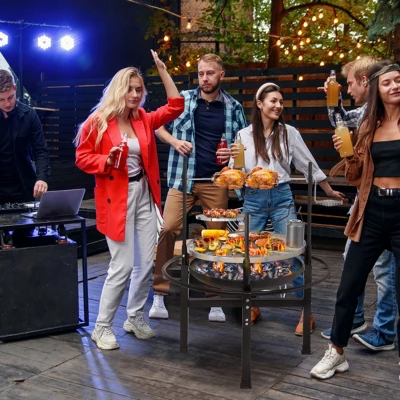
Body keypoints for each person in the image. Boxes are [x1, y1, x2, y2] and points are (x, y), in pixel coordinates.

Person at [75, 50, 184, 350]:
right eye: (130, 89)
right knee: (122, 265)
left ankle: (134, 316)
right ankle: (102, 327)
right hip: (116, 199)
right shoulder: (98, 121)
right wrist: (106, 161)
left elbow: (176, 105)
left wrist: (163, 70)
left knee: (146, 264)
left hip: (144, 195)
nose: (135, 95)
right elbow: (82, 157)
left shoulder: (143, 119)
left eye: (139, 89)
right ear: (118, 90)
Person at [311, 60, 400, 380]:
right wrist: (348, 155)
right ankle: (336, 353)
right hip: (372, 211)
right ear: (377, 88)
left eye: (398, 80)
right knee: (348, 286)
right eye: (387, 82)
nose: (395, 86)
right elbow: (355, 175)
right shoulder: (368, 125)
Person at [235, 82, 344, 334]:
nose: (278, 106)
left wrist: (327, 189)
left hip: (282, 196)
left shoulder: (289, 133)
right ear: (259, 104)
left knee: (293, 252)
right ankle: (252, 304)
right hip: (253, 197)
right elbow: (236, 168)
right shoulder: (243, 135)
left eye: (281, 102)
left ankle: (306, 311)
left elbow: (308, 163)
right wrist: (230, 168)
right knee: (246, 252)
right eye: (273, 101)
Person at [151, 54, 247, 323]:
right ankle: (159, 291)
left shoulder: (234, 107)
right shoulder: (183, 99)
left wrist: (233, 153)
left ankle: (214, 296)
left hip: (215, 181)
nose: (204, 78)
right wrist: (174, 142)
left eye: (210, 73)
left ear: (221, 75)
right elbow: (157, 126)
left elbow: (244, 144)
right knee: (168, 228)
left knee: (216, 236)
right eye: (201, 73)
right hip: (182, 179)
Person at [0, 69, 49, 204]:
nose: (7, 103)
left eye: (10, 97)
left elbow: (40, 150)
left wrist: (42, 178)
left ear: (15, 88)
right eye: (1, 99)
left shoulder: (29, 115)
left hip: (22, 186)